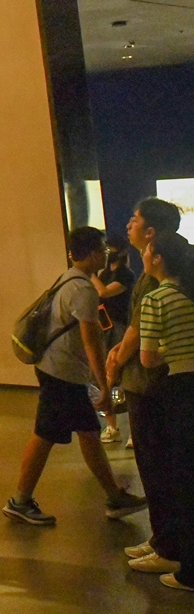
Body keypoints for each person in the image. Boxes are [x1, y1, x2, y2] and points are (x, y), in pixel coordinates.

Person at [2, 226, 147, 526]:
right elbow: (91, 342)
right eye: (102, 250)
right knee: (45, 435)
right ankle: (20, 500)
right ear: (94, 253)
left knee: (88, 434)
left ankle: (113, 495)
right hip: (63, 374)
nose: (105, 256)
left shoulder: (67, 279)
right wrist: (104, 384)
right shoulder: (82, 290)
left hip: (57, 370)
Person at [107, 198, 183, 570]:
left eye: (134, 219)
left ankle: (170, 547)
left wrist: (115, 362)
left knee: (157, 467)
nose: (128, 225)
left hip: (149, 384)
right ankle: (162, 539)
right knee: (157, 467)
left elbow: (138, 333)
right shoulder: (153, 276)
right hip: (149, 383)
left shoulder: (154, 280)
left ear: (151, 232)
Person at [137, 231, 194, 591]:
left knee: (183, 478)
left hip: (180, 389)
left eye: (147, 250)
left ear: (157, 258)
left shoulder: (155, 299)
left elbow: (148, 358)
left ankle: (188, 569)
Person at [92, 232, 135, 442]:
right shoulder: (104, 273)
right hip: (104, 327)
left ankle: (134, 432)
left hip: (118, 328)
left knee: (121, 375)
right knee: (105, 377)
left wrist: (88, 273)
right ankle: (112, 427)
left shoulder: (126, 275)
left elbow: (105, 292)